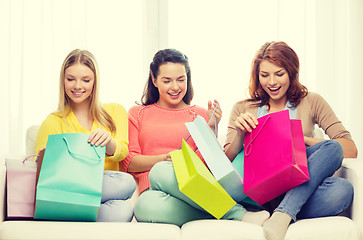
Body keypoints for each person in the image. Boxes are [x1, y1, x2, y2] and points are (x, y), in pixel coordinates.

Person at [120, 48, 270, 227]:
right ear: (154, 80)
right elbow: (129, 163)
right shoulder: (137, 114)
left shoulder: (200, 115)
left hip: (195, 191)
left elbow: (208, 166)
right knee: (144, 205)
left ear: (188, 79)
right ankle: (228, 212)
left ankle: (234, 213)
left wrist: (212, 128)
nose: (175, 87)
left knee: (161, 169)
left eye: (181, 80)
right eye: (167, 81)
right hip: (154, 190)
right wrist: (166, 159)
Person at [224, 41, 358, 240]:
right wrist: (240, 134)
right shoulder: (243, 108)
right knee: (335, 165)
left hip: (297, 182)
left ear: (292, 73)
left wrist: (297, 139)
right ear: (256, 76)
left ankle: (282, 214)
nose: (272, 82)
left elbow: (349, 148)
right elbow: (223, 160)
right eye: (264, 75)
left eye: (279, 74)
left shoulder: (311, 101)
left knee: (341, 183)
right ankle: (286, 211)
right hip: (260, 192)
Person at [35, 49, 136, 222]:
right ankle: (77, 209)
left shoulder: (114, 111)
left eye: (86, 80)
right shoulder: (52, 122)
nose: (77, 86)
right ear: (62, 81)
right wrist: (49, 157)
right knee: (124, 186)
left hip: (105, 194)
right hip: (67, 189)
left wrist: (109, 142)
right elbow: (39, 174)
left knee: (125, 189)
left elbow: (123, 153)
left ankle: (80, 216)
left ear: (95, 82)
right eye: (70, 79)